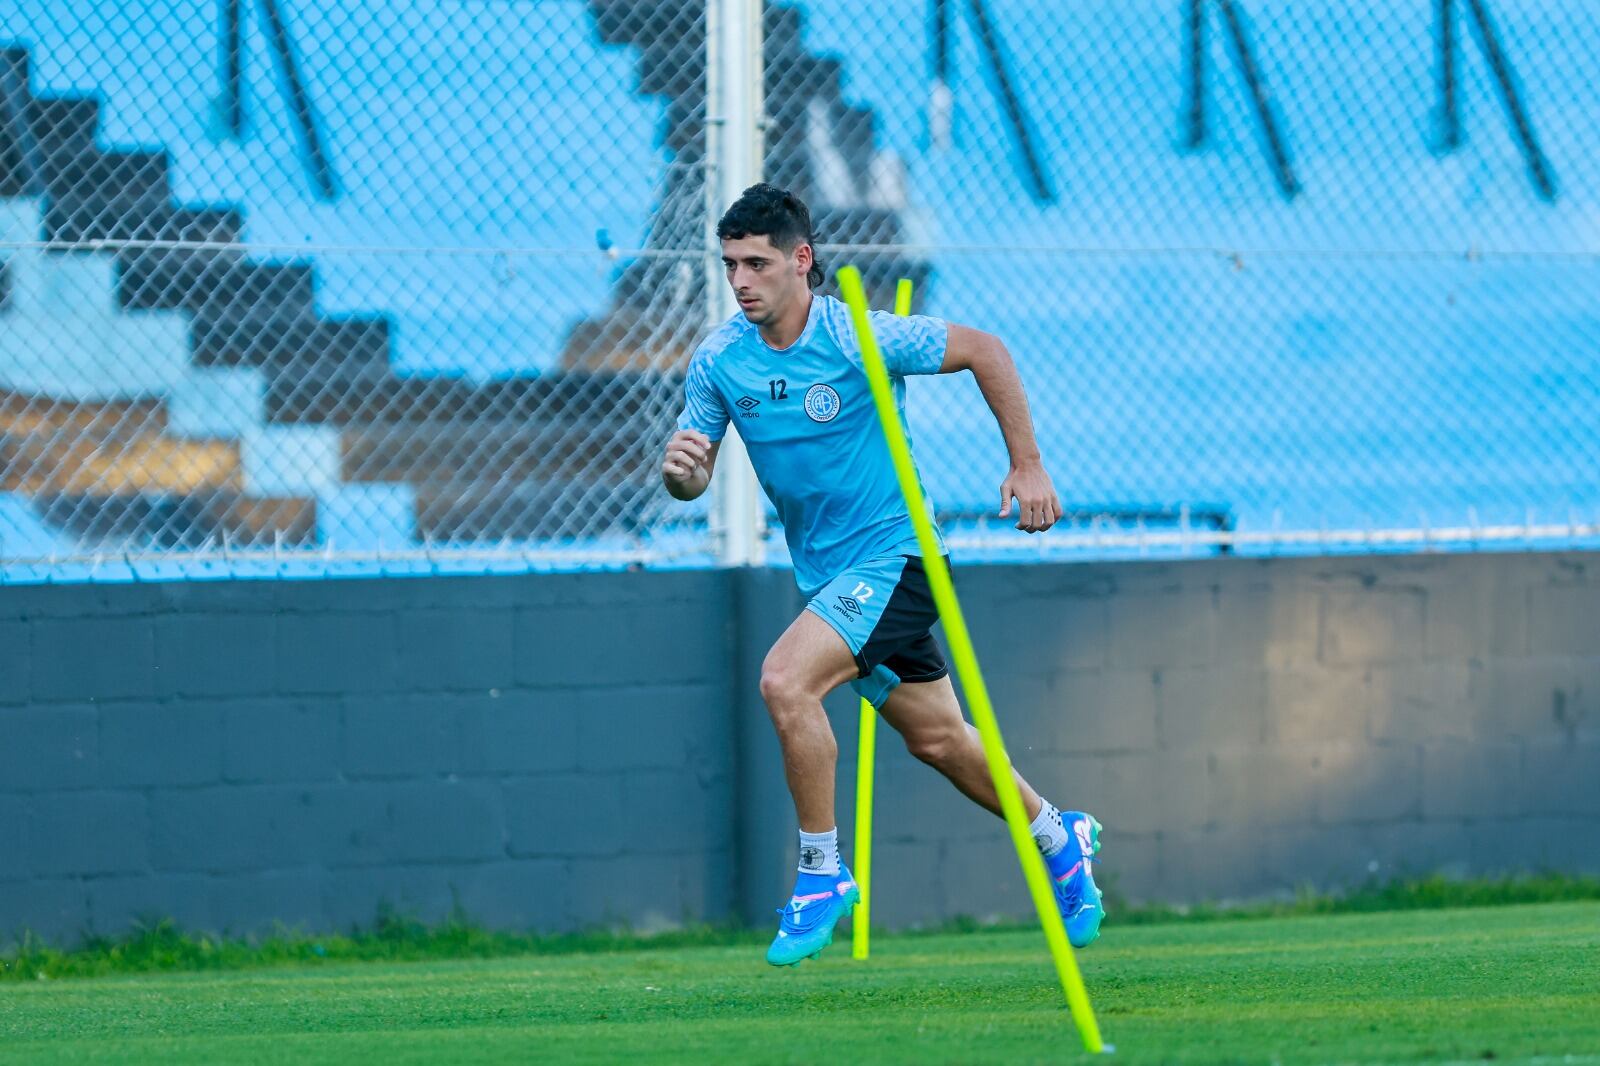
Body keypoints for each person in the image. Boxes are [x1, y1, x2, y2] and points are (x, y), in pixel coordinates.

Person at [662, 183, 1103, 967]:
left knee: (783, 682)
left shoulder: (855, 331)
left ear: (802, 261)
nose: (740, 281)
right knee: (939, 741)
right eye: (730, 264)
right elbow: (689, 478)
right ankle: (1056, 833)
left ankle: (821, 872)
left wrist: (1027, 465)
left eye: (756, 263)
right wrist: (682, 472)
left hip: (900, 558)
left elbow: (986, 350)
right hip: (831, 579)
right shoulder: (720, 360)